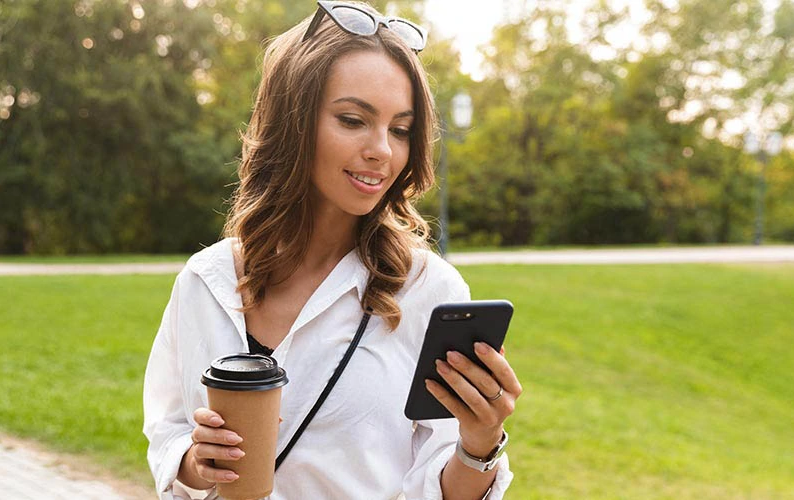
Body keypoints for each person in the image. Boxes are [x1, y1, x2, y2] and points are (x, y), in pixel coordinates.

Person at [143, 2, 522, 498]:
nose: (382, 150)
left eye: (400, 130)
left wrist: (480, 441)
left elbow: (443, 487)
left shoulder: (429, 289)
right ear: (292, 123)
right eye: (352, 119)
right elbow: (167, 435)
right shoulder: (204, 281)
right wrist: (197, 461)